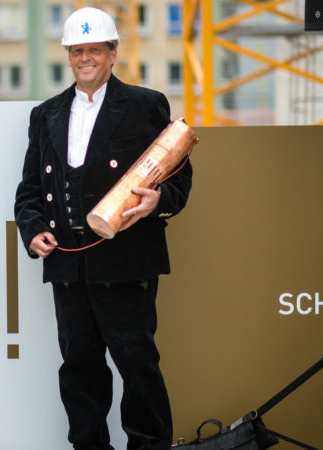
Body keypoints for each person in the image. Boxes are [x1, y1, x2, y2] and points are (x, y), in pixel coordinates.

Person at [14, 7, 191, 450]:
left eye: (94, 49)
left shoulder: (145, 104)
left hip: (126, 262)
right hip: (68, 266)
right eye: (77, 51)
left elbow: (178, 174)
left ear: (113, 53)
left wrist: (159, 201)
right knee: (79, 369)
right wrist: (32, 230)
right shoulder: (45, 114)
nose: (85, 58)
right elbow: (30, 188)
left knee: (138, 366)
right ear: (68, 56)